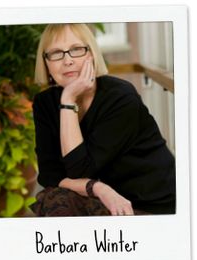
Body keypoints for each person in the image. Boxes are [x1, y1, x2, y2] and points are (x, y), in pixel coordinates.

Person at [30, 23, 176, 217]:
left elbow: (79, 170)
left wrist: (67, 102)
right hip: (102, 196)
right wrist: (99, 189)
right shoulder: (44, 103)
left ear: (91, 55)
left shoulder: (121, 97)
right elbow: (49, 174)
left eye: (76, 50)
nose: (67, 60)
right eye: (56, 53)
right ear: (46, 63)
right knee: (53, 198)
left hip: (150, 205)